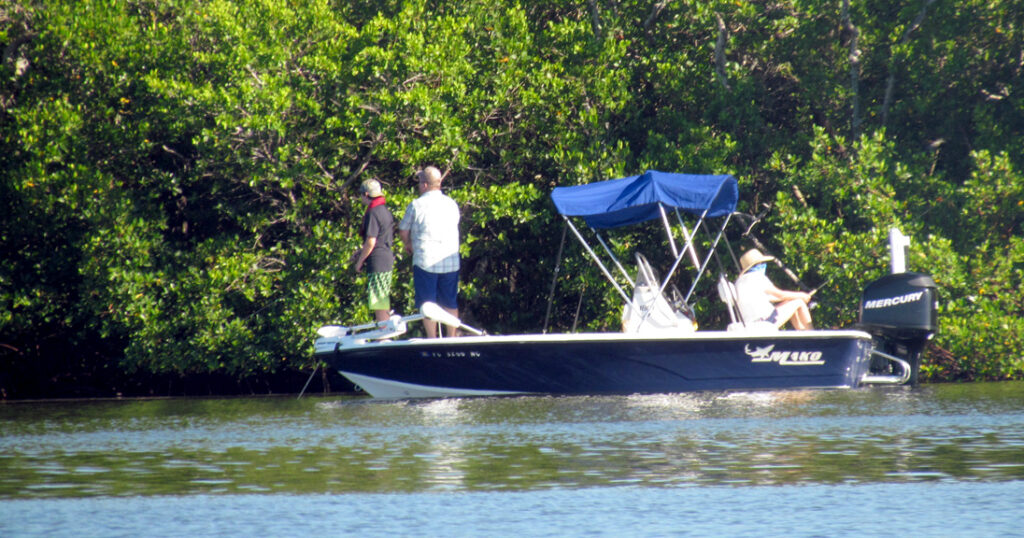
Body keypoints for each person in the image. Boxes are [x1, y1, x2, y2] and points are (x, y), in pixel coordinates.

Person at [398, 166, 461, 337]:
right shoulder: (452, 204)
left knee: (427, 303)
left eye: (419, 182)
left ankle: (432, 339)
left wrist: (408, 244)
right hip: (450, 262)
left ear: (425, 185)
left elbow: (403, 230)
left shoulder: (416, 205)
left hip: (426, 261)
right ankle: (451, 337)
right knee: (450, 302)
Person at [734, 248, 814, 330]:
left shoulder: (739, 282)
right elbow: (781, 295)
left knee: (792, 302)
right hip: (765, 321)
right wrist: (801, 295)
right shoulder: (758, 277)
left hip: (750, 323)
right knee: (799, 302)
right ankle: (812, 336)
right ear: (759, 263)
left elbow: (772, 297)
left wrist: (796, 296)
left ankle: (803, 333)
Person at [352, 178, 395, 323]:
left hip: (378, 259)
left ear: (366, 194)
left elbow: (371, 241)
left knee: (378, 298)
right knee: (382, 295)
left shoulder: (373, 212)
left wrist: (360, 261)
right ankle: (385, 328)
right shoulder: (384, 210)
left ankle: (383, 332)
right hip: (386, 256)